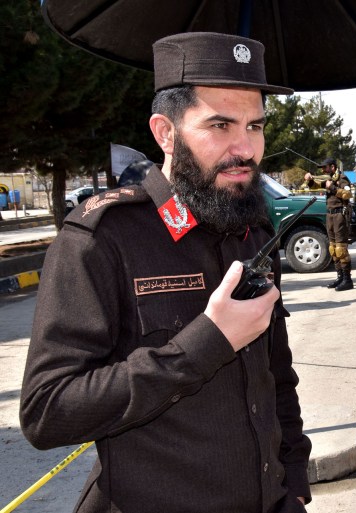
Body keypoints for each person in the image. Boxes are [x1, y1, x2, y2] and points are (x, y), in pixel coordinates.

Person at [20, 32, 311, 513]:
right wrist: (208, 341)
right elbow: (47, 411)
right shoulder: (104, 238)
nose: (245, 148)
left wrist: (295, 477)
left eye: (256, 126)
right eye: (220, 125)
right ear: (165, 132)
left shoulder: (252, 231)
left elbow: (277, 374)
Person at [302, 157, 354, 291]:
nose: (324, 170)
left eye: (325, 167)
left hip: (339, 216)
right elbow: (315, 186)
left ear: (332, 166)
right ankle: (340, 277)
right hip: (330, 215)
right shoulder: (329, 178)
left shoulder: (342, 179)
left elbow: (348, 194)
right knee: (333, 248)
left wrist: (333, 188)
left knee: (341, 249)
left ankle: (347, 280)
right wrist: (310, 180)